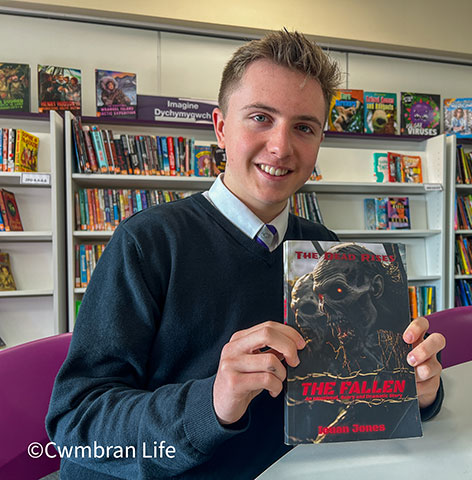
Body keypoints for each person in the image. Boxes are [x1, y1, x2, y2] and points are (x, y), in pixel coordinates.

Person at [46, 30, 445, 479]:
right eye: (260, 117)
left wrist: (418, 390)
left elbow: (344, 398)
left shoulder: (325, 250)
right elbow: (76, 422)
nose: (281, 147)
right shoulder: (148, 243)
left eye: (304, 127)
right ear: (220, 127)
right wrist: (211, 402)